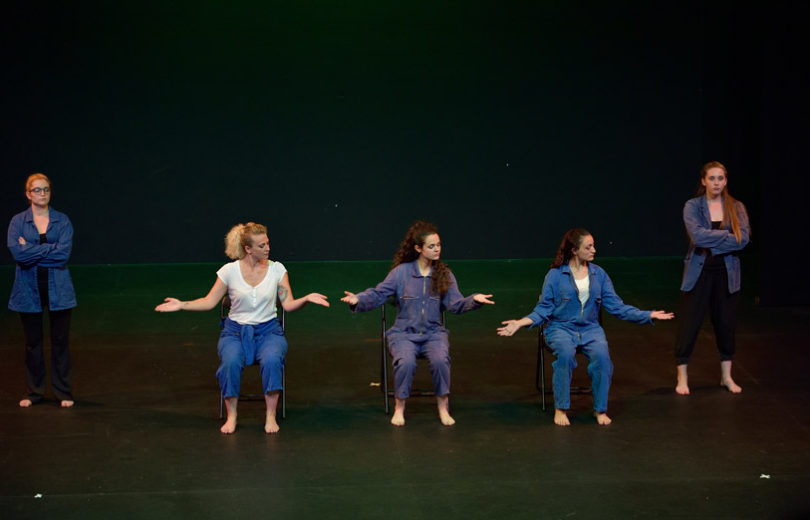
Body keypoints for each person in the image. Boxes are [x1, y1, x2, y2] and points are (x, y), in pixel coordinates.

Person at [155, 222, 329, 434]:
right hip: (235, 332)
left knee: (272, 360)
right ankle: (232, 415)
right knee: (230, 362)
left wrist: (306, 298)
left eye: (268, 243)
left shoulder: (277, 270)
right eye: (262, 245)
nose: (267, 248)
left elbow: (289, 304)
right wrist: (182, 304)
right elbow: (209, 302)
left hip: (269, 331)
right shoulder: (229, 271)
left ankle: (271, 415)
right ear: (248, 249)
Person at [497, 228, 674, 426]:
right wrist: (520, 322)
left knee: (603, 359)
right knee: (565, 354)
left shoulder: (599, 274)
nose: (594, 251)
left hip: (590, 329)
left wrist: (647, 315)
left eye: (593, 246)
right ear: (574, 250)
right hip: (560, 328)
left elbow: (617, 307)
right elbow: (543, 309)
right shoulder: (555, 275)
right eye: (588, 247)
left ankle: (600, 409)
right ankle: (561, 408)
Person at [341, 220, 494, 427]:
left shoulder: (444, 274)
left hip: (433, 334)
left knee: (440, 360)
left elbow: (455, 304)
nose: (437, 249)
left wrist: (474, 300)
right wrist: (358, 299)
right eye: (431, 246)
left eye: (438, 245)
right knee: (406, 362)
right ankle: (399, 408)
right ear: (418, 248)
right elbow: (378, 294)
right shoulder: (401, 273)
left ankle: (443, 408)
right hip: (403, 334)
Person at [674, 161, 750, 395]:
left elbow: (743, 239)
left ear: (725, 181)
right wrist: (726, 236)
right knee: (689, 324)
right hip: (699, 272)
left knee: (726, 325)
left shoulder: (736, 207)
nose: (716, 183)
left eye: (720, 178)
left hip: (726, 273)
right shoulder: (693, 206)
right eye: (712, 178)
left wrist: (713, 241)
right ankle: (682, 377)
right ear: (703, 181)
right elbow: (697, 237)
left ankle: (726, 377)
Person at [8, 173, 77, 408]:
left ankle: (63, 392)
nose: (42, 194)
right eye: (37, 190)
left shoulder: (62, 221)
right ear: (28, 194)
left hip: (59, 290)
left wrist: (31, 249)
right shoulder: (18, 222)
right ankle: (34, 392)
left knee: (60, 343)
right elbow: (18, 255)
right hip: (28, 290)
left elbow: (62, 256)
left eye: (46, 189)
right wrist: (49, 249)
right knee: (33, 344)